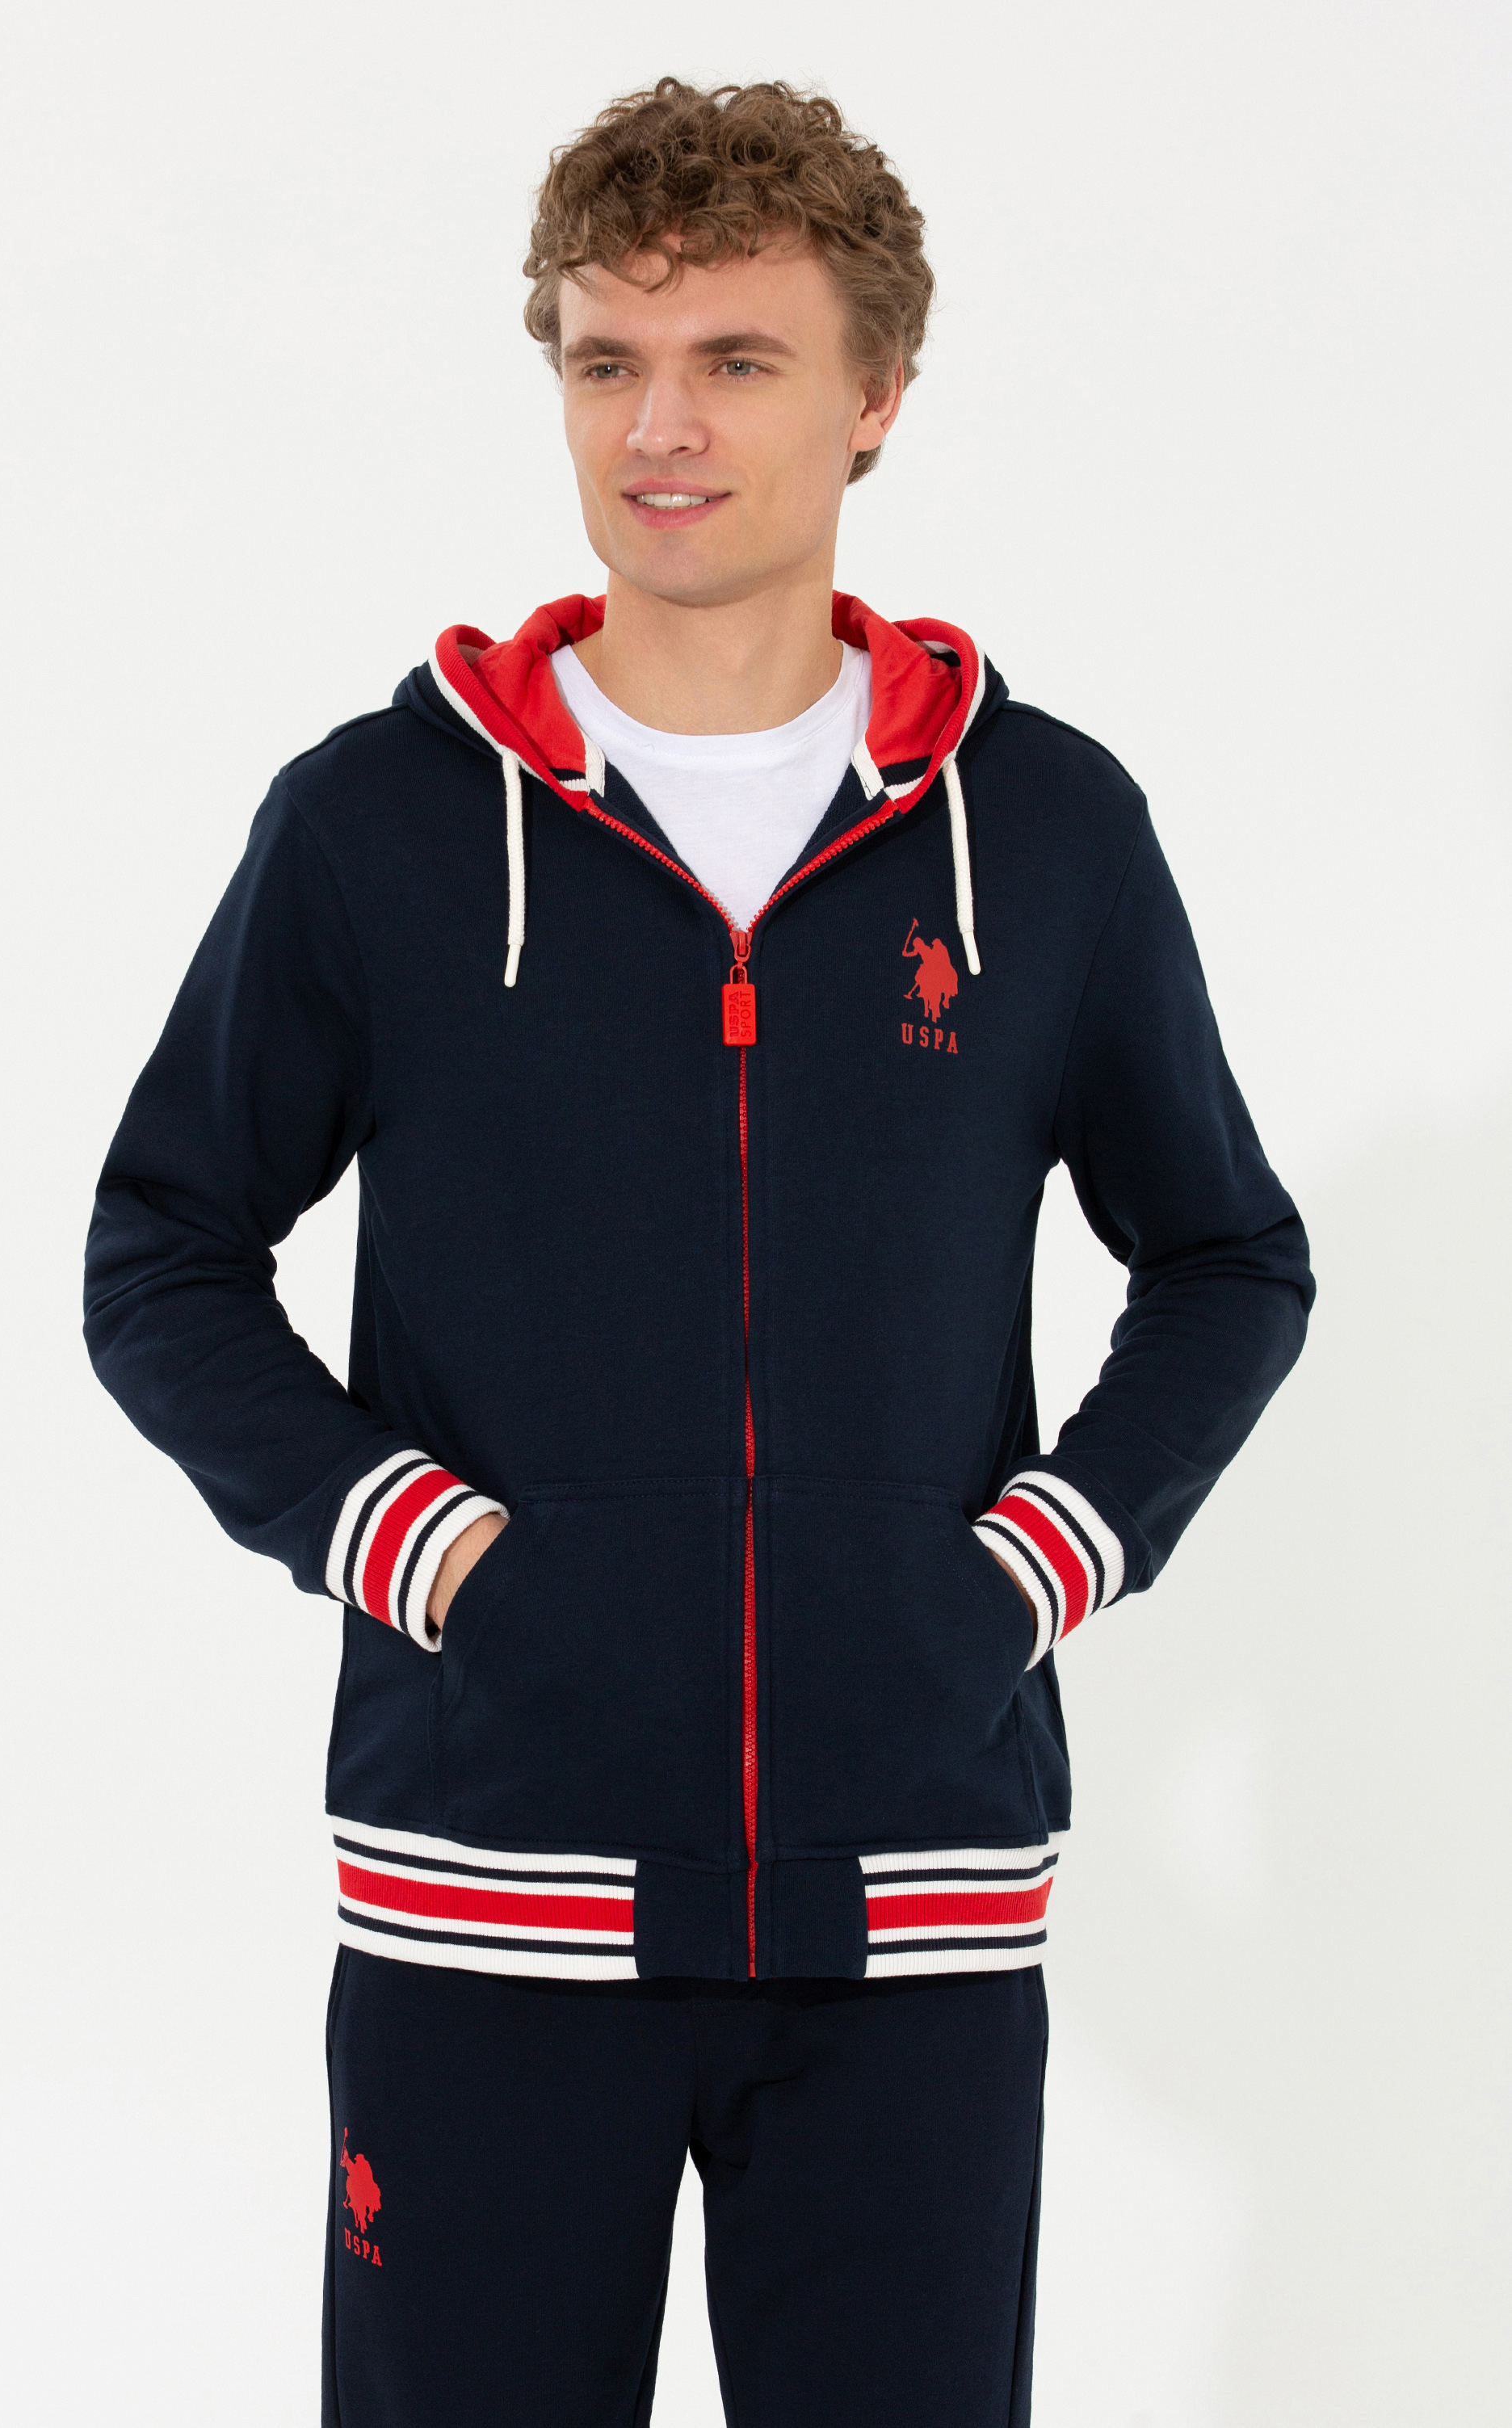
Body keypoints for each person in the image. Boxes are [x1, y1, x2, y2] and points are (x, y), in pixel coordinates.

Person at [84, 77, 1313, 2428]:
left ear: (875, 394)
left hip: (912, 1908)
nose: (659, 428)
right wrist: (416, 1546)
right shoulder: (378, 826)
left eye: (735, 360)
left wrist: (1030, 1566)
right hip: (484, 1894)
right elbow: (162, 1250)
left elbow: (1227, 1258)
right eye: (604, 360)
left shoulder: (1044, 831)